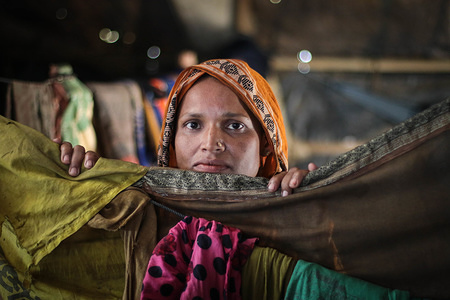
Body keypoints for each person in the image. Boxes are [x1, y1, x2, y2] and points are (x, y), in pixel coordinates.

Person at [56, 58, 317, 196]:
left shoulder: (287, 208)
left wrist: (309, 200)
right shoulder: (135, 206)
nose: (210, 143)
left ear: (266, 143)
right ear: (170, 137)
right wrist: (74, 181)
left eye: (235, 126)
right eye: (193, 124)